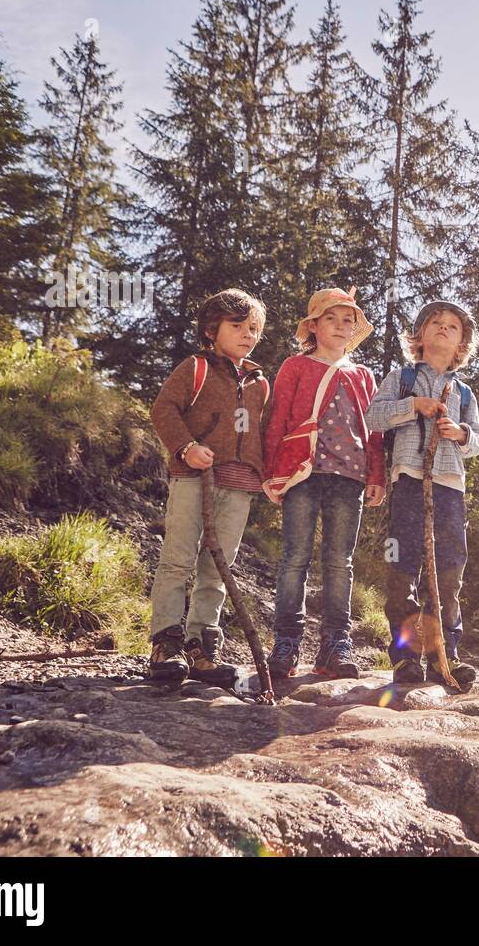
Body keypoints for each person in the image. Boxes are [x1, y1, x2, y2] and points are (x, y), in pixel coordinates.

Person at [147, 289, 271, 686]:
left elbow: (262, 432)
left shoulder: (259, 383)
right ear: (210, 329)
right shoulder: (196, 368)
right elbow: (163, 409)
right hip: (193, 478)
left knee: (218, 568)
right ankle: (166, 644)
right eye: (237, 326)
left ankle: (202, 647)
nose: (247, 334)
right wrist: (186, 447)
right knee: (178, 559)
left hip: (240, 486)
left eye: (253, 328)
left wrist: (269, 474)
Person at [261, 287, 386, 679]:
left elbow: (374, 430)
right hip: (303, 474)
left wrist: (376, 474)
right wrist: (271, 471)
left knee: (339, 562)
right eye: (330, 318)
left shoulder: (363, 375)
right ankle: (286, 641)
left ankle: (335, 643)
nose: (339, 326)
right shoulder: (295, 367)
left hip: (349, 478)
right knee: (294, 558)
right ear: (313, 326)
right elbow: (277, 419)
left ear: (355, 331)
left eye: (347, 320)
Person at [365, 300, 479, 689]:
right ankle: (405, 658)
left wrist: (460, 434)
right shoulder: (401, 378)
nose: (444, 329)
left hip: (449, 485)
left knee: (449, 572)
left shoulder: (464, 393)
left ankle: (443, 656)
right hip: (409, 482)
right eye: (435, 323)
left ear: (462, 343)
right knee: (404, 568)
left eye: (452, 326)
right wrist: (412, 405)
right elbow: (373, 417)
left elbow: (478, 439)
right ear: (419, 336)